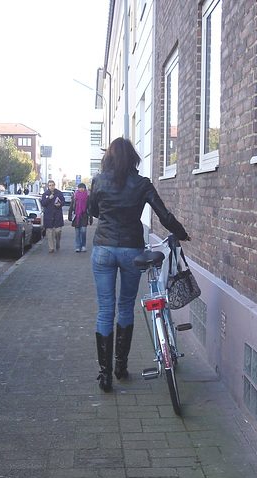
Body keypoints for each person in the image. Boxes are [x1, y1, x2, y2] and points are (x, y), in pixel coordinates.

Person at [89, 137, 188, 392]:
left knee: (105, 311)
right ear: (133, 158)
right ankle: (120, 366)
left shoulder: (99, 181)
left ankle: (105, 376)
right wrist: (182, 233)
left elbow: (94, 212)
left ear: (109, 158)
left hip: (103, 249)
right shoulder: (142, 184)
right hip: (131, 249)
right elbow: (164, 215)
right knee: (125, 307)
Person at [40, 180, 65, 253]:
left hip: (57, 215)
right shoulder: (45, 194)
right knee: (49, 232)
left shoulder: (59, 193)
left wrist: (60, 204)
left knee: (58, 231)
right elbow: (43, 203)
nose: (51, 187)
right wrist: (49, 198)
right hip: (48, 216)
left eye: (52, 185)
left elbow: (63, 201)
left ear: (54, 185)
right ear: (48, 186)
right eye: (50, 185)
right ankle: (51, 247)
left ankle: (57, 242)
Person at [68, 183, 93, 252]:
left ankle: (83, 245)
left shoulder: (87, 197)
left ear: (85, 188)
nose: (81, 189)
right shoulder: (75, 197)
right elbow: (71, 207)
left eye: (82, 187)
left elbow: (89, 208)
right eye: (80, 187)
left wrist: (91, 218)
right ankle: (78, 246)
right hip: (76, 216)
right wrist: (69, 215)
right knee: (77, 232)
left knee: (83, 230)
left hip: (84, 216)